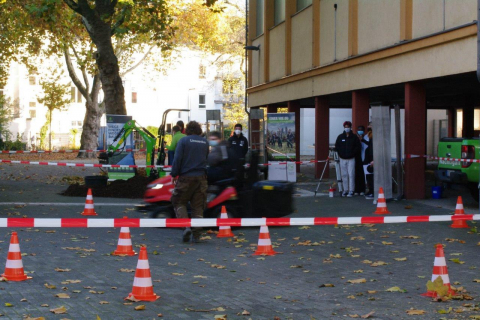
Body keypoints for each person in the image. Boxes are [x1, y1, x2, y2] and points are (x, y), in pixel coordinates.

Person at [171, 121, 209, 243]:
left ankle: (186, 226)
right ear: (198, 130)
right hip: (201, 178)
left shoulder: (184, 141)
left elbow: (177, 159)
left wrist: (174, 174)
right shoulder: (205, 142)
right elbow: (206, 159)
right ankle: (197, 233)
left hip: (186, 178)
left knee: (178, 201)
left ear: (187, 130)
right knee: (198, 206)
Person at [335, 121, 361, 197]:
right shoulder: (340, 137)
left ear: (350, 127)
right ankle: (345, 190)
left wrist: (353, 154)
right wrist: (340, 154)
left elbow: (357, 147)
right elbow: (337, 146)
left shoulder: (354, 137)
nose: (347, 128)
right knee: (344, 174)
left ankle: (351, 190)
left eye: (348, 127)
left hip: (351, 158)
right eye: (346, 127)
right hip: (342, 158)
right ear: (344, 127)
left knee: (351, 174)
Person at [354, 125, 366, 196]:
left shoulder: (366, 138)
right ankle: (357, 189)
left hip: (364, 158)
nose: (360, 131)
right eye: (359, 129)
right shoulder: (355, 138)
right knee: (356, 174)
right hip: (357, 158)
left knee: (363, 175)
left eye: (361, 129)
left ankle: (362, 189)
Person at [364, 127, 374, 199]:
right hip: (368, 160)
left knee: (370, 177)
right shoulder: (371, 139)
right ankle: (371, 191)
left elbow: (371, 149)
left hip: (370, 160)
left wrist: (373, 160)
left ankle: (372, 191)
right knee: (369, 177)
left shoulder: (373, 138)